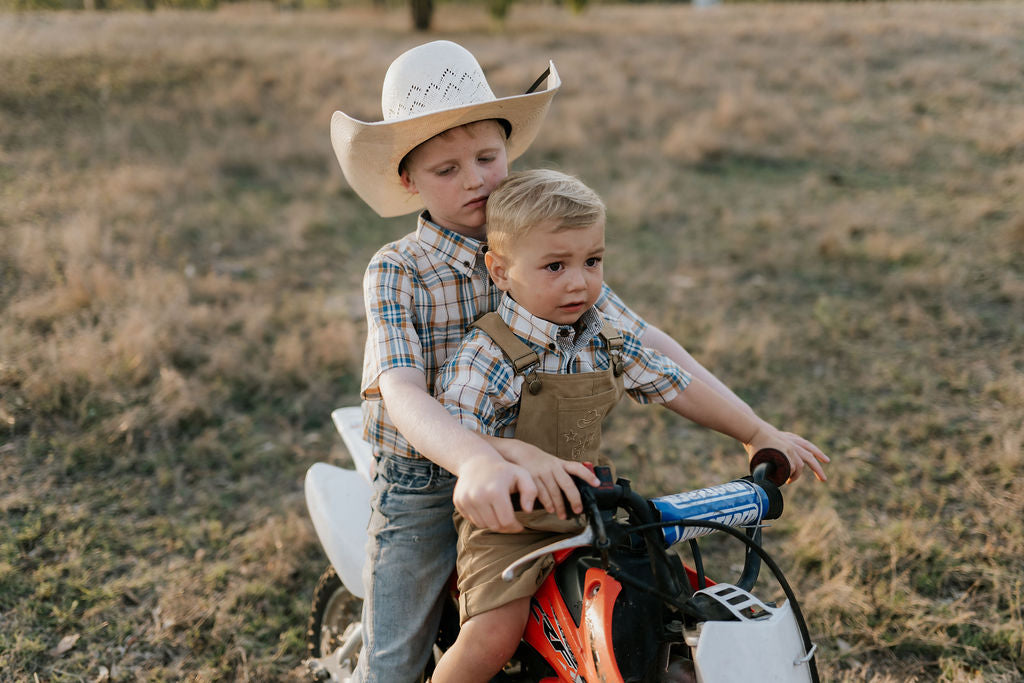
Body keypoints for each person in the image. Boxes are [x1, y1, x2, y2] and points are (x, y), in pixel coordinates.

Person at [330, 40, 828, 683]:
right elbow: (401, 390)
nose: (477, 178)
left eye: (487, 156)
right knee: (394, 663)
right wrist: (477, 459)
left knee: (635, 599)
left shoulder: (547, 243)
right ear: (409, 180)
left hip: (556, 478)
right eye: (447, 169)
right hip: (429, 481)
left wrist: (754, 430)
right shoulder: (399, 270)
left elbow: (648, 345)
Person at [431, 169, 828, 683]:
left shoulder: (605, 337)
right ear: (501, 270)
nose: (579, 281)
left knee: (662, 603)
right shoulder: (489, 352)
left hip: (588, 510)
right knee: (492, 636)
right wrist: (505, 463)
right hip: (509, 526)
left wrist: (754, 431)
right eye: (555, 265)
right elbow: (459, 431)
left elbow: (676, 383)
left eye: (591, 261)